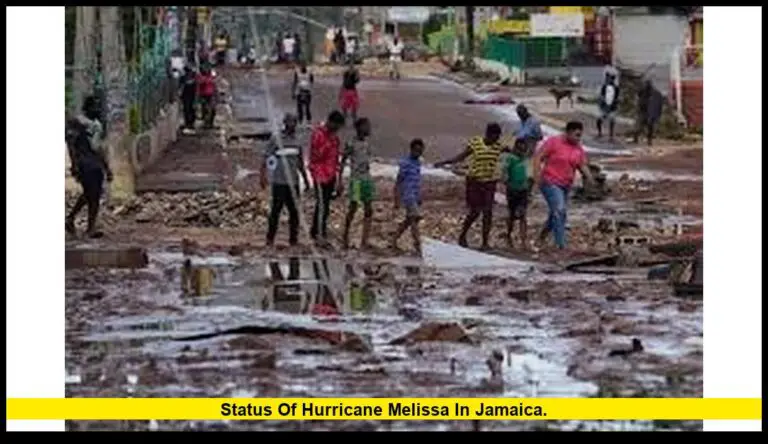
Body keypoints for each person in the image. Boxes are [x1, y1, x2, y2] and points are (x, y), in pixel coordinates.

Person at [435, 123, 510, 250]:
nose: (496, 139)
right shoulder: (475, 143)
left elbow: (512, 151)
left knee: (488, 212)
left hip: (489, 182)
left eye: (498, 137)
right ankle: (463, 235)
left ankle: (485, 243)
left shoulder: (498, 146)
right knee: (475, 211)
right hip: (474, 181)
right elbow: (461, 156)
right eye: (495, 136)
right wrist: (445, 162)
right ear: (488, 134)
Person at [531, 121, 594, 250]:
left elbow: (582, 165)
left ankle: (542, 237)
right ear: (568, 133)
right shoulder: (554, 142)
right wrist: (536, 178)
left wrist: (590, 178)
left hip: (565, 185)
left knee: (555, 213)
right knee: (560, 211)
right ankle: (561, 245)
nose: (578, 138)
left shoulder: (578, 149)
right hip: (550, 182)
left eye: (580, 136)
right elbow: (538, 157)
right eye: (576, 135)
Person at [66, 95, 113, 238]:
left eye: (99, 106)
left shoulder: (97, 125)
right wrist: (74, 165)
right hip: (85, 163)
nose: (97, 109)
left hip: (95, 163)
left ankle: (74, 221)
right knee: (91, 194)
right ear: (87, 107)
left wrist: (106, 167)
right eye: (94, 106)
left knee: (91, 194)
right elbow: (71, 144)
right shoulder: (78, 123)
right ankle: (86, 226)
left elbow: (100, 148)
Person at [261, 114, 311, 247]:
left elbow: (300, 163)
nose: (292, 124)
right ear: (284, 123)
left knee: (294, 212)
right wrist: (263, 176)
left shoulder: (298, 141)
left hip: (293, 183)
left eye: (294, 122)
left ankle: (293, 240)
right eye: (290, 122)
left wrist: (305, 180)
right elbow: (266, 158)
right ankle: (270, 239)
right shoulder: (276, 139)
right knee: (275, 211)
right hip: (279, 182)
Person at [309, 110, 346, 246]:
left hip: (330, 175)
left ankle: (318, 230)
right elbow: (316, 155)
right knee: (321, 205)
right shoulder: (318, 134)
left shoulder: (335, 138)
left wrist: (337, 177)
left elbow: (336, 158)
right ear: (330, 122)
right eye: (336, 126)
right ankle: (319, 233)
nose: (337, 130)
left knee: (326, 205)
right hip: (319, 174)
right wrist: (328, 143)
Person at [338, 118, 375, 250]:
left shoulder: (367, 143)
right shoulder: (351, 143)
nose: (369, 129)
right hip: (356, 180)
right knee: (353, 208)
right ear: (359, 128)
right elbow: (343, 162)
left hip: (366, 179)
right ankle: (345, 235)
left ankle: (365, 240)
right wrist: (339, 180)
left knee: (369, 209)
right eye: (366, 126)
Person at [391, 138, 425, 255]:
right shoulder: (405, 163)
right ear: (411, 150)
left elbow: (418, 180)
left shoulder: (418, 163)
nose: (418, 153)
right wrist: (397, 198)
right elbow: (399, 181)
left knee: (410, 220)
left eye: (420, 151)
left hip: (415, 195)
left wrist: (419, 195)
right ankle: (418, 244)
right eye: (416, 151)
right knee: (414, 218)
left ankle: (394, 238)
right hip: (408, 195)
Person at [504, 139, 534, 249]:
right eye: (520, 149)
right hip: (512, 190)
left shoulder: (526, 160)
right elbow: (505, 174)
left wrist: (530, 190)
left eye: (524, 149)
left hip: (523, 191)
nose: (522, 151)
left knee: (522, 215)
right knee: (512, 215)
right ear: (516, 148)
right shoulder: (511, 159)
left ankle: (523, 240)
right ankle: (508, 235)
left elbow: (531, 177)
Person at [634, 79, 664, 146]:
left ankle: (648, 140)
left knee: (648, 127)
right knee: (641, 126)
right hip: (643, 111)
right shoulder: (643, 92)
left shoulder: (654, 94)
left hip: (648, 112)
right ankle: (637, 138)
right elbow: (638, 97)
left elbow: (658, 105)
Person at [597, 73, 620, 141]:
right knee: (599, 120)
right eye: (608, 78)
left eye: (610, 79)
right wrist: (602, 102)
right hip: (604, 106)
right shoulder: (604, 86)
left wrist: (614, 103)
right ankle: (600, 133)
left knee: (612, 121)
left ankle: (611, 136)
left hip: (612, 107)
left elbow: (617, 97)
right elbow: (601, 96)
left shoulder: (616, 88)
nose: (608, 80)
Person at [292, 62, 314, 126]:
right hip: (299, 92)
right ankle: (300, 122)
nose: (303, 67)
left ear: (306, 66)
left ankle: (308, 122)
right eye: (302, 66)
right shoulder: (297, 73)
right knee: (299, 108)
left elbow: (312, 81)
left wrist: (309, 88)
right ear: (300, 66)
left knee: (307, 107)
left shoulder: (309, 72)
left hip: (307, 92)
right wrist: (293, 92)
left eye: (304, 66)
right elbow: (294, 82)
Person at [196, 64, 216, 129]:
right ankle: (206, 123)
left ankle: (210, 123)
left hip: (211, 94)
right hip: (204, 95)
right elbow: (200, 83)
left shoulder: (211, 76)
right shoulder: (200, 77)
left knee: (212, 109)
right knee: (205, 109)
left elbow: (214, 83)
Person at [180, 66, 197, 131]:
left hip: (192, 96)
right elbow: (181, 88)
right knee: (186, 109)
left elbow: (196, 89)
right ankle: (188, 123)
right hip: (186, 96)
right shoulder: (183, 79)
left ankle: (191, 123)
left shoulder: (193, 79)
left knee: (191, 109)